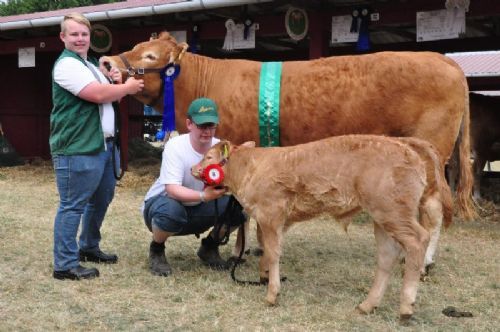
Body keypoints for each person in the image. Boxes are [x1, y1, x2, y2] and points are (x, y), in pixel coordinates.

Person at [50, 12, 144, 280]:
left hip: (103, 146)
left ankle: (88, 247)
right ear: (63, 37)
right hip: (78, 147)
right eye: (74, 34)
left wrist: (114, 82)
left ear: (90, 37)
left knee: (100, 200)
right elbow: (97, 95)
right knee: (73, 205)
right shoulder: (66, 65)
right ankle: (65, 265)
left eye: (84, 34)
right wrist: (125, 87)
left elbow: (109, 99)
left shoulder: (89, 64)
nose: (80, 39)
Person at [142, 97, 247, 276]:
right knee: (171, 211)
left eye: (211, 126)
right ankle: (157, 249)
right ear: (189, 124)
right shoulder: (175, 146)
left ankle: (209, 247)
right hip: (164, 204)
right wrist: (204, 196)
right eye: (201, 126)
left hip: (200, 207)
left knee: (238, 208)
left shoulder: (220, 147)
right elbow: (172, 189)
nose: (207, 132)